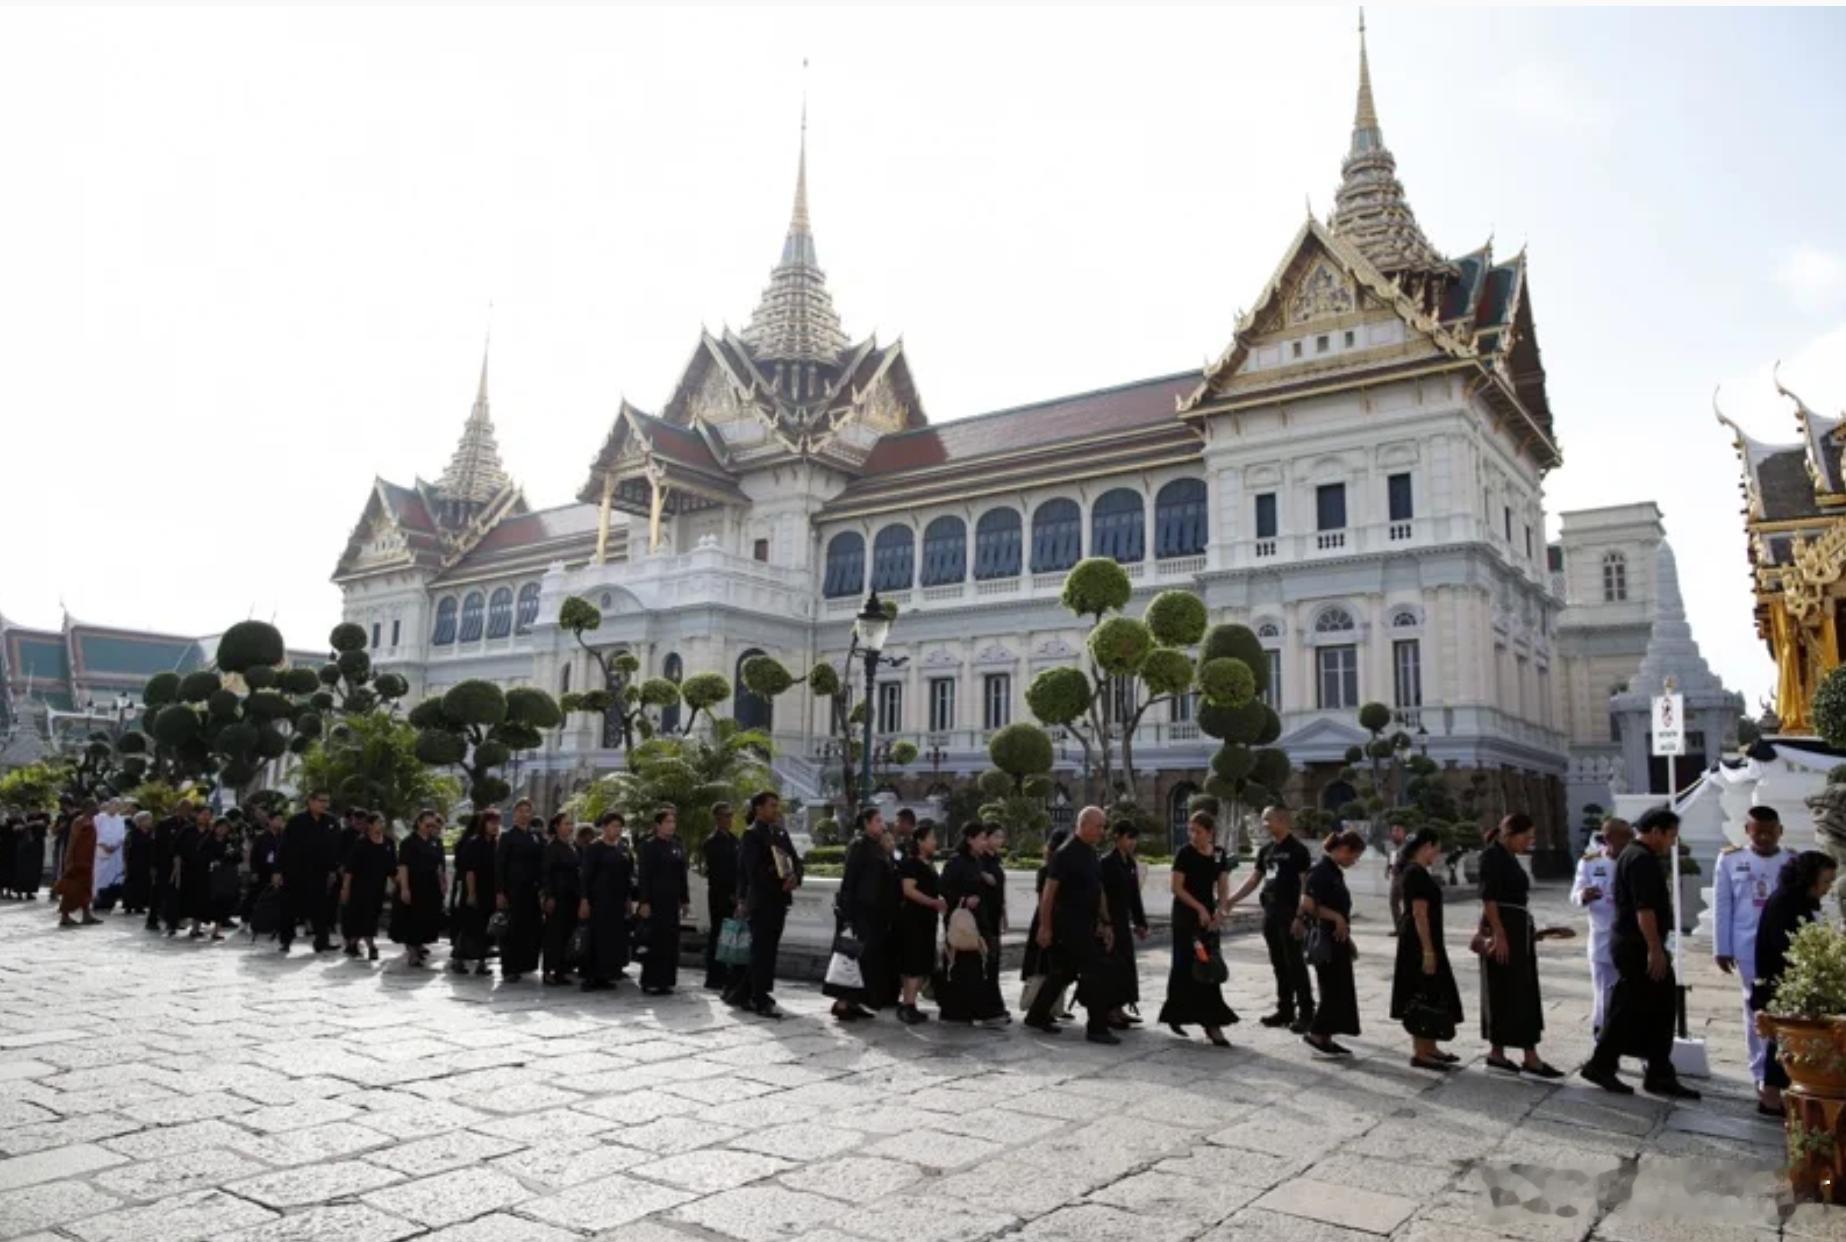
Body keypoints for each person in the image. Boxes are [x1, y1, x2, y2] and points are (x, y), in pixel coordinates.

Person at [1580, 806, 1700, 1099]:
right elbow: (1643, 909)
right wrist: (1655, 950)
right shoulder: (1641, 859)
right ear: (1656, 831)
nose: (1672, 842)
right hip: (1638, 945)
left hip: (1634, 943)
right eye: (1670, 836)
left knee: (1654, 1007)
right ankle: (1603, 1064)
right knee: (1630, 1005)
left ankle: (1657, 1070)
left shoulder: (1633, 856)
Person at [1713, 806, 1794, 1113]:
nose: (1763, 836)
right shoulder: (1731, 859)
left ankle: (1780, 1073)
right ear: (1747, 830)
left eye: (1770, 831)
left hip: (1783, 947)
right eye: (1757, 830)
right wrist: (1722, 947)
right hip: (1747, 947)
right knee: (1755, 1010)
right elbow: (1723, 905)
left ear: (1780, 831)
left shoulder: (1791, 861)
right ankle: (1761, 1075)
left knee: (1784, 1011)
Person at [1023, 806, 1119, 1044]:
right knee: (1095, 971)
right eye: (1098, 826)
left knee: (1062, 972)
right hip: (1067, 926)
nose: (1102, 831)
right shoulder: (1065, 854)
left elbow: (1097, 891)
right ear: (1084, 824)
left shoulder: (1091, 853)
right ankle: (1097, 1028)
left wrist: (1105, 922)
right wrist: (1045, 928)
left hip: (1085, 924)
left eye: (1103, 826)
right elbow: (1048, 894)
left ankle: (1036, 1015)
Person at [1751, 850, 1837, 1117]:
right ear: (1809, 878)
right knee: (1784, 1043)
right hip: (1779, 984)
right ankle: (1771, 1098)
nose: (1827, 888)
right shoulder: (1785, 902)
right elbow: (1785, 946)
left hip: (1788, 984)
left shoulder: (1800, 901)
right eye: (1825, 882)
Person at [1477, 814, 1563, 1077]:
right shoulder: (1492, 856)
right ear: (1510, 834)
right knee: (1507, 989)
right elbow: (1488, 897)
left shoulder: (1509, 857)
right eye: (1527, 836)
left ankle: (1515, 1052)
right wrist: (1499, 934)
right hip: (1505, 929)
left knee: (1518, 988)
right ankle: (1515, 1053)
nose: (1529, 842)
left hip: (1517, 927)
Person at [1225, 805, 1315, 1032]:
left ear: (1282, 820)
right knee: (1278, 963)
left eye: (1267, 820)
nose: (1264, 824)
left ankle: (1307, 1013)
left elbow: (1306, 884)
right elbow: (1255, 879)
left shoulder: (1298, 850)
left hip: (1290, 913)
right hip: (1271, 912)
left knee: (1295, 964)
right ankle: (1285, 1010)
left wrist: (1300, 916)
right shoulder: (1266, 851)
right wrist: (1231, 900)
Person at [1159, 810, 1236, 1047]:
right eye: (1190, 830)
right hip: (1186, 917)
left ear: (1210, 832)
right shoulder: (1184, 853)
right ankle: (1181, 1015)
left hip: (1208, 919)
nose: (1193, 835)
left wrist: (1221, 911)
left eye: (1198, 831)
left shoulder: (1219, 854)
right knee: (1184, 965)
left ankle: (1211, 1022)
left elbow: (1222, 886)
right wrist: (1200, 909)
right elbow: (1177, 888)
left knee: (1209, 966)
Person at [1391, 826, 1463, 1070]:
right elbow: (1419, 914)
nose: (1437, 853)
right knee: (1421, 993)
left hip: (1427, 940)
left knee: (1433, 992)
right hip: (1419, 943)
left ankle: (1431, 1047)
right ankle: (1421, 1052)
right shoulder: (1415, 874)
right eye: (1436, 848)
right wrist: (1428, 951)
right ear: (1426, 847)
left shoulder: (1418, 872)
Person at [729, 790, 801, 1018]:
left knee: (769, 949)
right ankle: (760, 997)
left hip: (780, 899)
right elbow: (752, 872)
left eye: (776, 805)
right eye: (771, 805)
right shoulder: (752, 835)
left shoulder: (780, 832)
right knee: (762, 951)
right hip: (762, 900)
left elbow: (796, 860)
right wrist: (778, 877)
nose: (775, 809)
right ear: (758, 808)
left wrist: (795, 877)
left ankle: (743, 993)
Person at [1300, 830, 1365, 1058]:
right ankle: (1317, 1032)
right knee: (1331, 988)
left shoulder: (1335, 872)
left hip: (1338, 939)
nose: (1353, 861)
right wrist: (1336, 918)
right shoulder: (1320, 871)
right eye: (1353, 856)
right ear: (1343, 849)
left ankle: (1327, 1036)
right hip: (1325, 938)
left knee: (1340, 988)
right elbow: (1307, 904)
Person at [829, 806, 895, 1022]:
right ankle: (842, 1003)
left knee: (866, 960)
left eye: (881, 821)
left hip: (874, 913)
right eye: (877, 821)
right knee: (851, 957)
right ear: (866, 823)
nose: (882, 825)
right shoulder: (859, 846)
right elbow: (849, 880)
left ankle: (855, 1002)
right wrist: (847, 915)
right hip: (858, 912)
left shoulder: (878, 847)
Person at [939, 823, 1008, 1025]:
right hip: (961, 923)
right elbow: (943, 887)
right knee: (959, 966)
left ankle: (977, 1010)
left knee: (976, 966)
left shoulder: (976, 862)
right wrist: (963, 900)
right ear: (970, 839)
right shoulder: (956, 862)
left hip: (979, 921)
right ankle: (955, 1011)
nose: (984, 842)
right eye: (981, 838)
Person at [1571, 818, 1632, 1036]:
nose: (1628, 841)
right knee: (1604, 994)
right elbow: (1575, 894)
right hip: (1602, 937)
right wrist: (1583, 895)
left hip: (1629, 938)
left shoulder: (1633, 860)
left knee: (1630, 997)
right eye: (1623, 837)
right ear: (1608, 838)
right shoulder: (1590, 863)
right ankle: (1602, 1038)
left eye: (1630, 836)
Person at [894, 820, 946, 1025]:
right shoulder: (911, 863)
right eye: (932, 838)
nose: (935, 841)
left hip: (927, 920)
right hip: (913, 919)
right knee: (912, 963)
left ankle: (911, 1003)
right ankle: (907, 1004)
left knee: (922, 962)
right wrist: (933, 902)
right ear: (920, 841)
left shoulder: (929, 864)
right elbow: (908, 890)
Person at [1099, 820, 1149, 1028]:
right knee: (1112, 966)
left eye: (1134, 838)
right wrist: (1104, 922)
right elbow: (1098, 895)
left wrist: (1140, 922)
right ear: (1117, 837)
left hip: (1123, 921)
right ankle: (1109, 1011)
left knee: (1126, 966)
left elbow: (1134, 895)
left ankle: (1120, 1007)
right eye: (1129, 837)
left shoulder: (1130, 863)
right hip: (1109, 922)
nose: (1132, 843)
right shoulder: (1106, 862)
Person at [635, 807, 690, 995]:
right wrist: (644, 901)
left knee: (670, 940)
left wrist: (684, 899)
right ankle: (650, 980)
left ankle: (666, 980)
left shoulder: (676, 845)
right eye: (667, 822)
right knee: (654, 940)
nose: (671, 825)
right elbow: (644, 876)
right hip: (654, 900)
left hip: (671, 901)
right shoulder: (648, 846)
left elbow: (681, 875)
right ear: (657, 825)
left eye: (673, 822)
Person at [578, 811, 634, 991]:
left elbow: (628, 875)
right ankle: (590, 976)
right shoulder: (594, 848)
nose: (617, 830)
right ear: (604, 827)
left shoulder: (623, 848)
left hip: (617, 900)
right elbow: (585, 876)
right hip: (598, 899)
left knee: (612, 938)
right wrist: (584, 900)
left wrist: (628, 898)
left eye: (619, 827)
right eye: (613, 826)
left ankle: (605, 974)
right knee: (596, 937)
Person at [278, 791, 339, 954]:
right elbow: (283, 847)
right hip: (296, 872)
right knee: (290, 908)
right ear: (310, 801)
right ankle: (286, 940)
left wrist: (333, 870)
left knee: (320, 909)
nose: (324, 804)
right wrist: (278, 871)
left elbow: (334, 849)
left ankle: (322, 941)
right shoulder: (296, 821)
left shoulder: (331, 822)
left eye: (327, 801)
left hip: (320, 873)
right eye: (321, 801)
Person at [1020, 830, 1070, 1017]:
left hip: (1060, 918)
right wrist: (1045, 925)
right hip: (1046, 917)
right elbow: (1043, 899)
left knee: (1059, 965)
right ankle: (1041, 1007)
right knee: (1043, 966)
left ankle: (1056, 1006)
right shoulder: (1046, 870)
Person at [495, 798, 544, 981]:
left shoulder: (536, 836)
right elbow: (500, 865)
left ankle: (526, 964)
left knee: (531, 928)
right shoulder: (507, 837)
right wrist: (500, 891)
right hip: (513, 889)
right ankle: (510, 967)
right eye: (521, 810)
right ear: (514, 814)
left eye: (527, 811)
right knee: (512, 929)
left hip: (532, 890)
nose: (524, 814)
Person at [449, 810, 500, 976]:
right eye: (491, 823)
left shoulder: (495, 844)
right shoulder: (474, 843)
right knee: (469, 925)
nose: (494, 826)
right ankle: (459, 959)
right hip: (474, 889)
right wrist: (471, 893)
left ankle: (482, 962)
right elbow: (470, 870)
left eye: (496, 823)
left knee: (486, 928)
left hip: (489, 890)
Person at [340, 811, 396, 961]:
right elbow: (350, 869)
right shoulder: (361, 843)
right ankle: (372, 946)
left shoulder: (388, 843)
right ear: (370, 825)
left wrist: (400, 885)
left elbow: (392, 868)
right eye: (378, 822)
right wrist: (345, 889)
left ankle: (352, 944)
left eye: (383, 822)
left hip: (378, 886)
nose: (381, 825)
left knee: (372, 916)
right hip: (360, 887)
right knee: (364, 916)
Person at [395, 810, 447, 968]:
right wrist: (404, 888)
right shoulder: (408, 842)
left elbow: (440, 866)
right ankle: (412, 952)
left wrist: (442, 882)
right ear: (419, 823)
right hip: (414, 883)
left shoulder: (436, 842)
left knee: (428, 917)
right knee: (412, 917)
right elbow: (403, 866)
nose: (430, 827)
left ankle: (419, 946)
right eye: (427, 824)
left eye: (433, 825)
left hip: (431, 884)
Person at [701, 802, 740, 992]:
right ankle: (714, 976)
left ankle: (727, 974)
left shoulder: (734, 839)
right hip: (720, 895)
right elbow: (718, 873)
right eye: (725, 815)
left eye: (731, 815)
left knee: (731, 934)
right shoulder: (712, 841)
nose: (729, 819)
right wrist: (730, 894)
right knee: (718, 934)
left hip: (734, 895)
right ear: (717, 818)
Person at [541, 812, 582, 986]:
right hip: (557, 896)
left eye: (571, 824)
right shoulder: (552, 848)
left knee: (567, 933)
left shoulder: (573, 847)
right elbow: (546, 874)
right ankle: (549, 970)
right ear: (556, 827)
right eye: (566, 824)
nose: (569, 827)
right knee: (554, 934)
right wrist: (549, 896)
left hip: (571, 897)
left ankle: (562, 969)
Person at [54, 800, 99, 929]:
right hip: (77, 861)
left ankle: (86, 914)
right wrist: (69, 861)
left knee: (86, 887)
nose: (97, 808)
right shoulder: (79, 821)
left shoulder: (91, 821)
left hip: (87, 861)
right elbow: (72, 841)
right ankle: (65, 916)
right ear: (87, 808)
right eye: (94, 806)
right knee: (72, 889)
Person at [200, 816, 242, 938]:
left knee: (223, 902)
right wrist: (212, 860)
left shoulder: (230, 842)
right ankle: (200, 927)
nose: (222, 830)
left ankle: (216, 931)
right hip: (211, 876)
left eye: (225, 828)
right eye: (220, 827)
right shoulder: (208, 840)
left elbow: (238, 858)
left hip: (226, 877)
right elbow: (201, 855)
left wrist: (232, 854)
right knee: (210, 901)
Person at [92, 801, 127, 910]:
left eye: (117, 806)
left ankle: (110, 900)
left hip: (115, 852)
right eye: (112, 805)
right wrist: (104, 845)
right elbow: (96, 833)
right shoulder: (99, 818)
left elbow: (122, 835)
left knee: (114, 877)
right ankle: (97, 900)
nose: (114, 808)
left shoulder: (120, 819)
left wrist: (115, 846)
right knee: (100, 876)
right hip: (102, 850)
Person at [122, 811, 155, 915]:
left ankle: (139, 905)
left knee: (144, 884)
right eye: (147, 819)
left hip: (146, 862)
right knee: (132, 883)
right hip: (134, 862)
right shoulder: (132, 834)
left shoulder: (151, 834)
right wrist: (126, 863)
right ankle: (128, 905)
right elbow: (127, 849)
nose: (150, 822)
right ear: (140, 821)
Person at [14, 813, 47, 902]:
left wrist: (29, 824)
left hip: (35, 850)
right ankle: (19, 892)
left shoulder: (43, 816)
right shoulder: (23, 818)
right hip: (24, 849)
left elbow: (43, 823)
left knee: (32, 871)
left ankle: (29, 892)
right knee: (22, 870)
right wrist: (28, 824)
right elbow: (16, 828)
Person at [1386, 821, 1409, 935]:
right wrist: (1387, 869)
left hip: (1405, 878)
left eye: (1398, 831)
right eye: (1393, 831)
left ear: (1403, 833)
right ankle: (1399, 928)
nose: (1395, 833)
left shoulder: (1408, 847)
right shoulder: (1391, 846)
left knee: (1407, 905)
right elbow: (1390, 859)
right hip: (1395, 878)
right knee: (1393, 903)